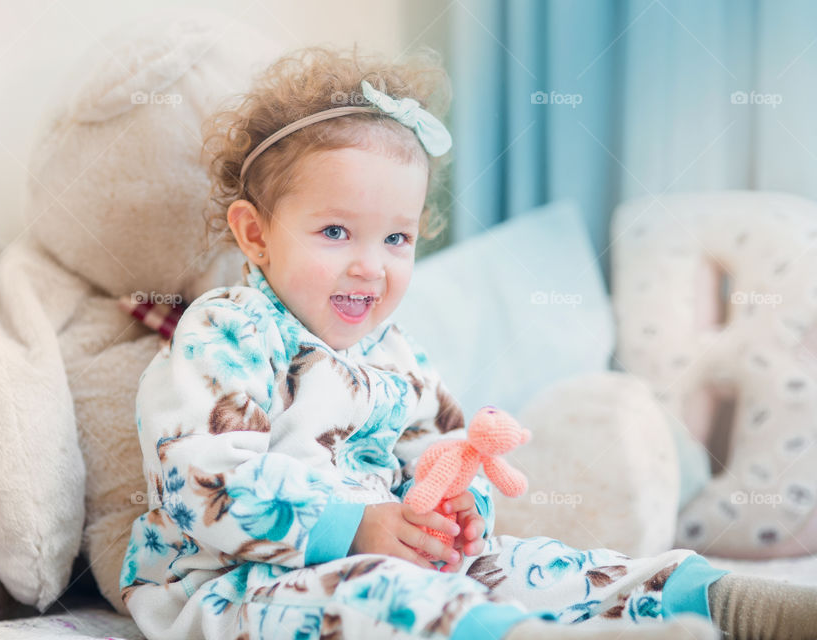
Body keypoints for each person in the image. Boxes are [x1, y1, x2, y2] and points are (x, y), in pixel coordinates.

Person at [118, 45, 817, 640]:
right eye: (335, 232)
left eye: (396, 238)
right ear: (255, 234)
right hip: (236, 589)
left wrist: (459, 512)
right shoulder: (225, 332)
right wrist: (356, 528)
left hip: (385, 557)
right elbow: (202, 480)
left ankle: (722, 604)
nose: (371, 266)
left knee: (537, 563)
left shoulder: (394, 353)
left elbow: (443, 448)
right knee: (383, 596)